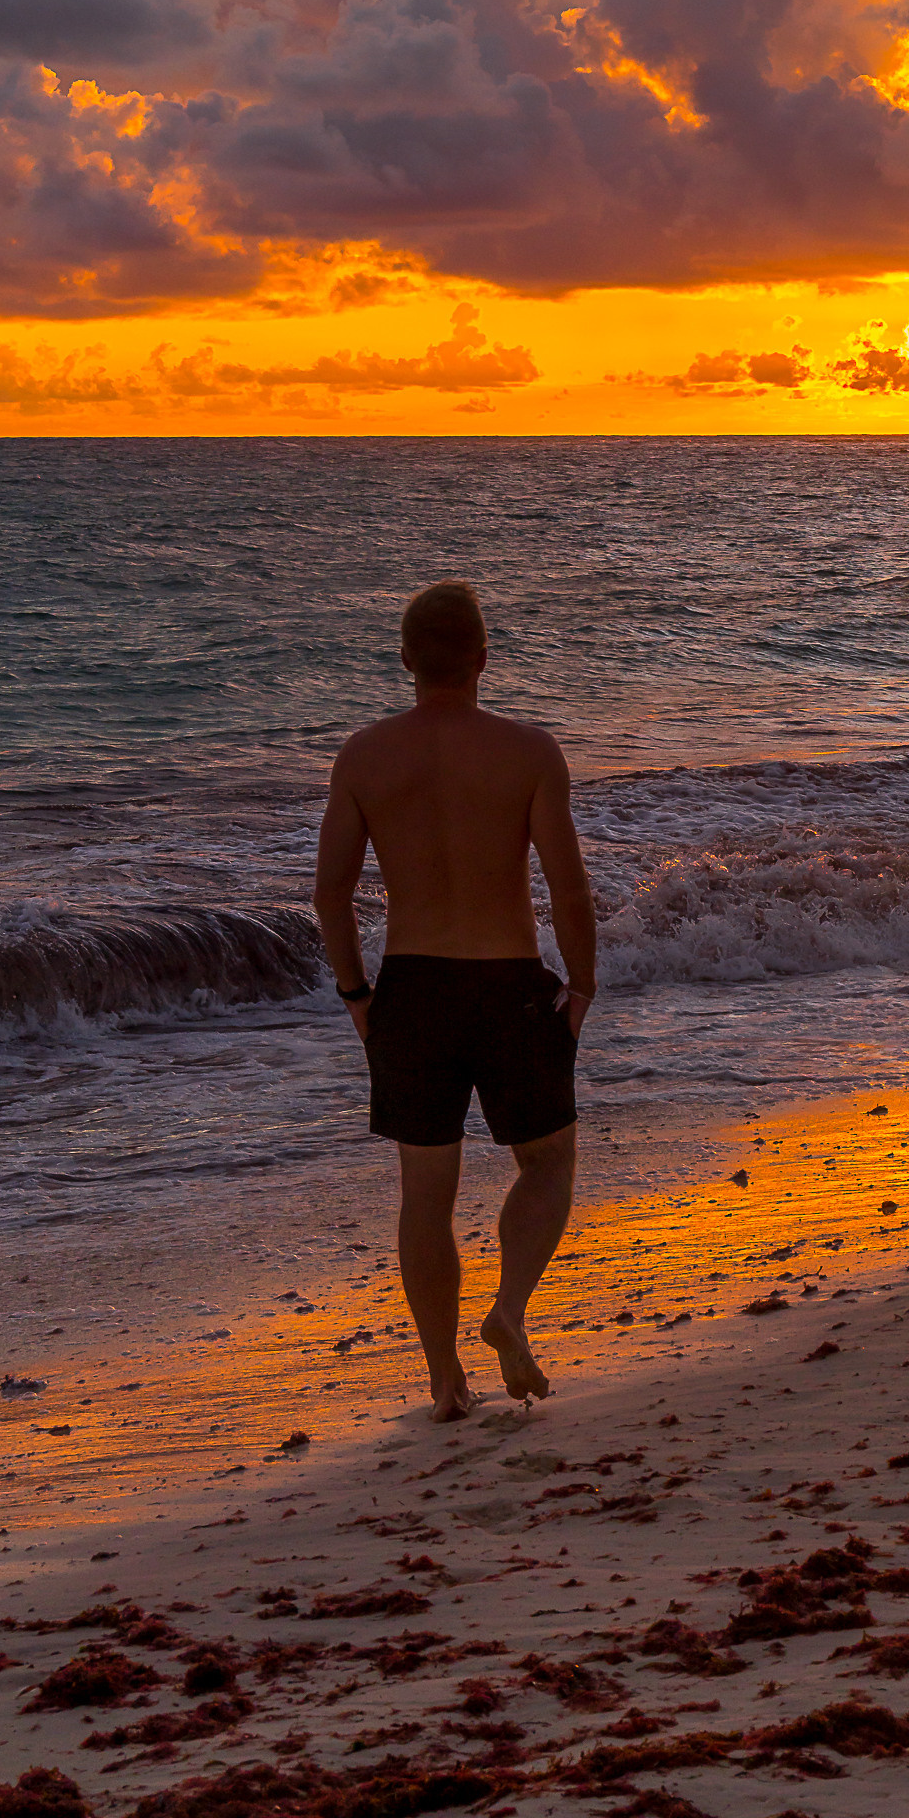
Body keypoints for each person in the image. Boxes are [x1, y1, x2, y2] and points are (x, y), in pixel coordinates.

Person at [314, 578, 597, 1421]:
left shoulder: (364, 756)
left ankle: (444, 1383)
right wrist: (580, 985)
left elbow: (331, 895)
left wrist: (358, 995)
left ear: (406, 660)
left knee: (425, 1195)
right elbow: (568, 890)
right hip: (509, 985)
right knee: (546, 1164)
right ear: (483, 659)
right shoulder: (529, 752)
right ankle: (508, 1310)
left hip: (414, 989)